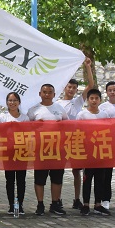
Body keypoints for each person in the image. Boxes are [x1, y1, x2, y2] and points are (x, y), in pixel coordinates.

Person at [55, 58, 95, 210]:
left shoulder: (78, 101)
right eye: (69, 87)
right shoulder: (57, 104)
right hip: (61, 140)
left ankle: (77, 199)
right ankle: (57, 199)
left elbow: (91, 85)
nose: (71, 90)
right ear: (65, 88)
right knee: (58, 171)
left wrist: (88, 67)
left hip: (77, 140)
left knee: (76, 171)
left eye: (74, 88)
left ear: (77, 90)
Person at [27, 83, 69, 216]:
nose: (47, 94)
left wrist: (61, 126)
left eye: (50, 92)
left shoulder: (60, 109)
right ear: (40, 94)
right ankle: (40, 204)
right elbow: (26, 129)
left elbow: (68, 126)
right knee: (40, 178)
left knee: (57, 178)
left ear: (54, 95)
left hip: (57, 149)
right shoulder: (33, 110)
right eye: (44, 92)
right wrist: (35, 126)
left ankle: (55, 204)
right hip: (40, 149)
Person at [76, 88, 109, 216]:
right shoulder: (82, 115)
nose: (94, 101)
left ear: (100, 100)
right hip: (88, 152)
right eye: (91, 98)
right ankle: (85, 204)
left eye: (96, 98)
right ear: (88, 100)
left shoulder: (104, 115)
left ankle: (98, 204)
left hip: (101, 151)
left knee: (100, 179)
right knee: (87, 179)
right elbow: (77, 132)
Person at [0, 92, 29, 215]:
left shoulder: (25, 118)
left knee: (21, 179)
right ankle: (12, 205)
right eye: (10, 100)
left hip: (22, 151)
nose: (12, 103)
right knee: (10, 180)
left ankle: (19, 205)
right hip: (8, 152)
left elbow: (28, 134)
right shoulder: (2, 117)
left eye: (15, 100)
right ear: (7, 102)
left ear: (19, 102)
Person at [96, 81, 115, 212]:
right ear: (106, 92)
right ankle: (105, 200)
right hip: (107, 144)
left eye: (114, 90)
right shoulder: (102, 107)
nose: (112, 92)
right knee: (106, 174)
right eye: (109, 90)